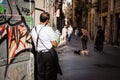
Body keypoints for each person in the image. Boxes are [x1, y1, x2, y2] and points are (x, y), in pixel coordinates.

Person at [31, 12, 62, 80]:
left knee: (40, 75)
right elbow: (54, 44)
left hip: (38, 55)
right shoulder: (48, 29)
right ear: (47, 20)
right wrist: (57, 39)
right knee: (50, 75)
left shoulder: (33, 29)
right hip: (48, 55)